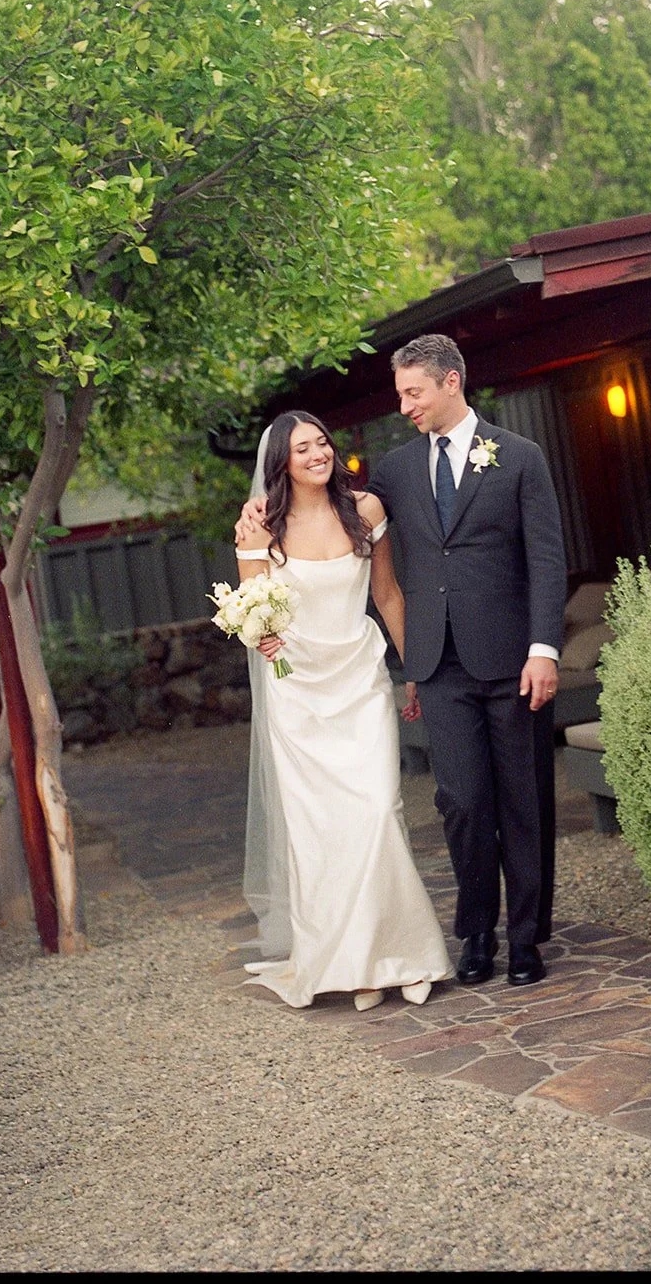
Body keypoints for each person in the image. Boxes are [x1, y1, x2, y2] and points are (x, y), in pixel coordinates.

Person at [238, 334, 568, 988]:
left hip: (512, 661)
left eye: (413, 392)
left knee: (524, 802)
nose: (405, 405)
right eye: (399, 394)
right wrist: (259, 507)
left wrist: (544, 648)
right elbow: (336, 513)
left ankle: (527, 939)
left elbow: (548, 560)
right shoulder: (392, 472)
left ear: (451, 382)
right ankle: (476, 933)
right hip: (438, 664)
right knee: (463, 803)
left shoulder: (521, 458)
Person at [233, 409, 452, 1011]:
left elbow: (387, 595)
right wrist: (262, 637)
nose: (316, 454)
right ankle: (355, 966)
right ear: (282, 462)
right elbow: (253, 616)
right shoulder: (257, 530)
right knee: (322, 832)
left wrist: (414, 673)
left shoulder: (366, 511)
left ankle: (406, 954)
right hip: (298, 694)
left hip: (360, 679)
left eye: (323, 442)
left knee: (379, 811)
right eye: (301, 448)